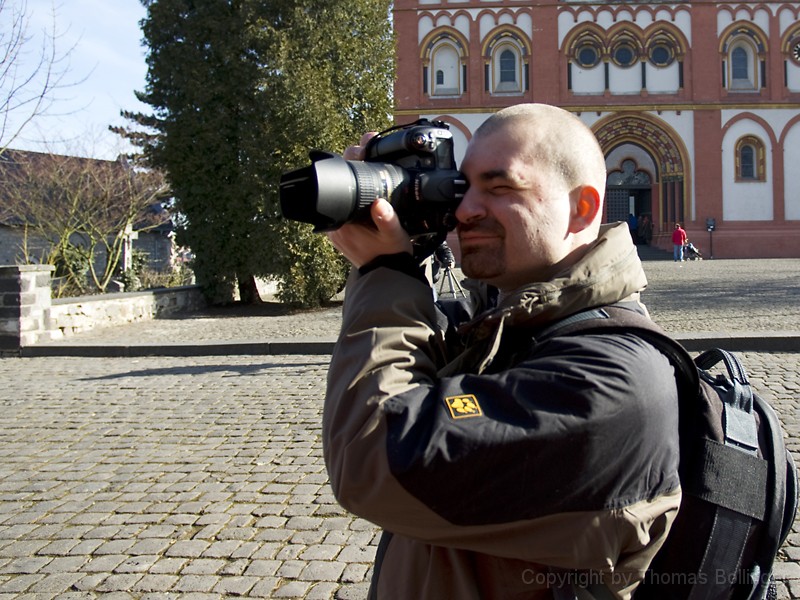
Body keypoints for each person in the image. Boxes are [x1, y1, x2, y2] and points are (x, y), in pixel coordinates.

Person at [324, 104, 681, 599]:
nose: (463, 211)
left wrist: (385, 274)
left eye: (499, 188)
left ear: (582, 208)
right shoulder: (506, 327)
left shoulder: (611, 380)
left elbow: (373, 456)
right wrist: (409, 242)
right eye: (461, 187)